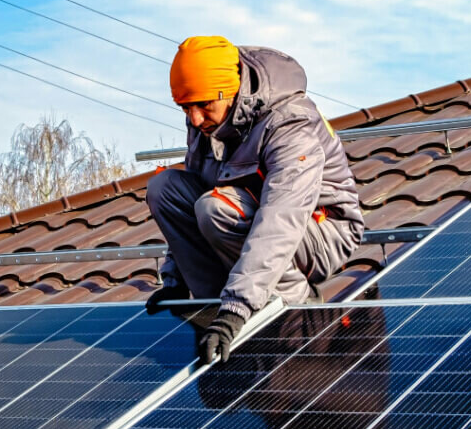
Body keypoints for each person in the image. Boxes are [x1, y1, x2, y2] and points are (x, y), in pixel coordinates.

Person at [144, 36, 365, 364]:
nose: (194, 119)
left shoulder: (288, 121)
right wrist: (175, 280)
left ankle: (289, 311)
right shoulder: (207, 120)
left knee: (215, 209)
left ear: (229, 91)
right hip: (254, 214)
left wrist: (236, 308)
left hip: (322, 229)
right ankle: (212, 313)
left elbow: (282, 218)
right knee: (164, 188)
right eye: (185, 107)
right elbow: (195, 188)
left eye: (203, 105)